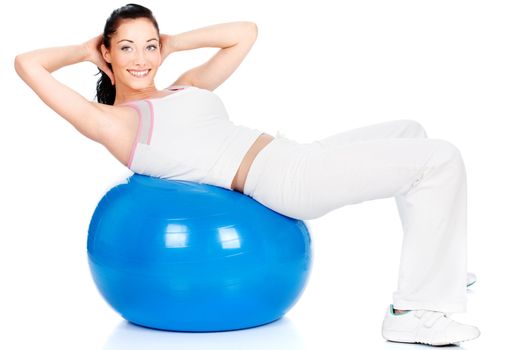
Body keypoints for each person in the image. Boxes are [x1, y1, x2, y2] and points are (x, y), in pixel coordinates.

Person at [14, 3, 480, 346]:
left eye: (150, 45)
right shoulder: (115, 121)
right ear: (108, 54)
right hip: (282, 180)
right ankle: (413, 311)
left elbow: (245, 32)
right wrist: (81, 50)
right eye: (127, 47)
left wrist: (175, 43)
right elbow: (26, 64)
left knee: (409, 132)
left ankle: (441, 271)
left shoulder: (184, 87)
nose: (142, 58)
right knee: (440, 158)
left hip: (294, 154)